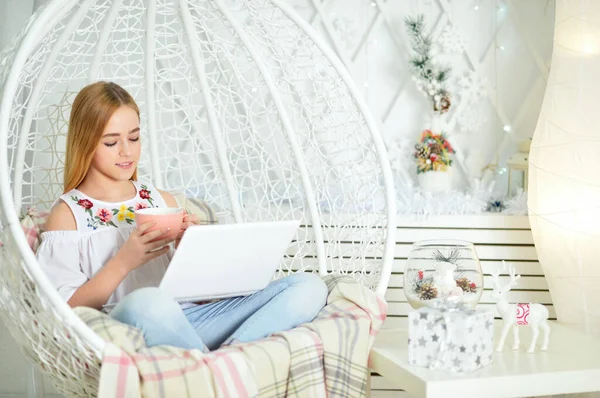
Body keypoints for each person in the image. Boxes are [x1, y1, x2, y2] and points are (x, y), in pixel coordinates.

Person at [37, 81, 328, 352]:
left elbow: (200, 294)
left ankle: (220, 366)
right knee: (148, 303)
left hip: (193, 322)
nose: (127, 151)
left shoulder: (161, 201)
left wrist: (190, 250)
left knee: (307, 287)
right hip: (134, 326)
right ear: (86, 142)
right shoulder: (67, 216)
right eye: (111, 142)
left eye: (134, 137)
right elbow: (64, 308)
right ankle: (218, 372)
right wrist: (124, 261)